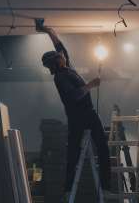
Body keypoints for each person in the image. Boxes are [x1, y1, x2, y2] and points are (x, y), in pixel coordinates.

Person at [38, 25, 111, 201]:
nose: (62, 55)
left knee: (102, 146)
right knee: (74, 154)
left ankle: (106, 186)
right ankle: (68, 189)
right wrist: (90, 86)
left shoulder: (67, 68)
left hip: (89, 113)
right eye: (59, 57)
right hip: (78, 118)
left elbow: (60, 47)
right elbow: (74, 96)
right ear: (57, 63)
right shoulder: (60, 78)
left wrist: (50, 32)